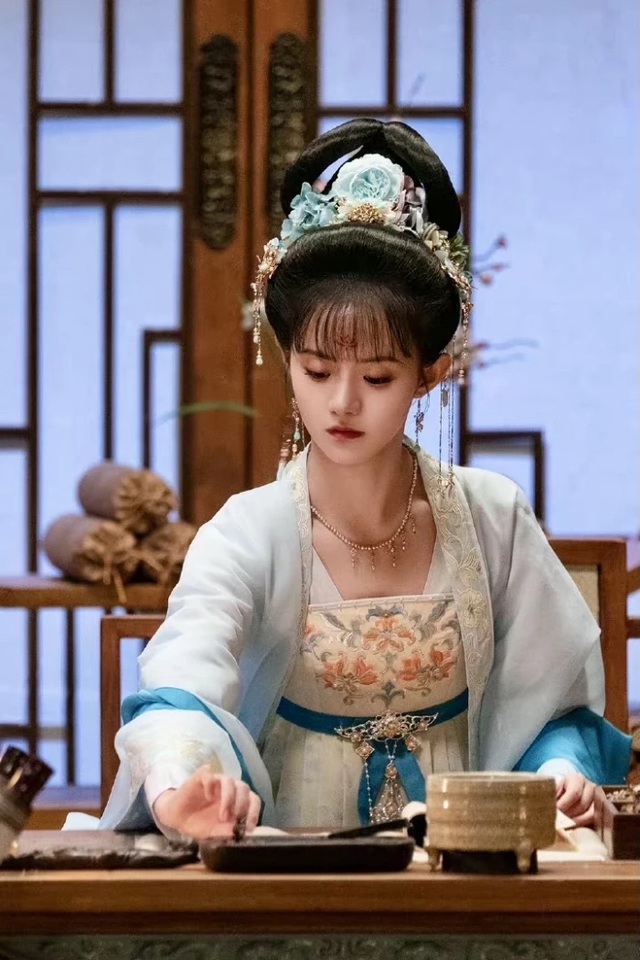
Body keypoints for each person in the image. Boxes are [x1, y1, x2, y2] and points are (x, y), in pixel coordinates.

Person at [99, 119, 630, 841]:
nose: (342, 403)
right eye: (317, 370)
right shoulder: (248, 532)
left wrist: (559, 776)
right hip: (292, 861)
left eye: (378, 376)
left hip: (464, 858)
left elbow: (553, 709)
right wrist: (179, 787)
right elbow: (181, 686)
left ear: (431, 373)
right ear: (287, 357)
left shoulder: (493, 518)